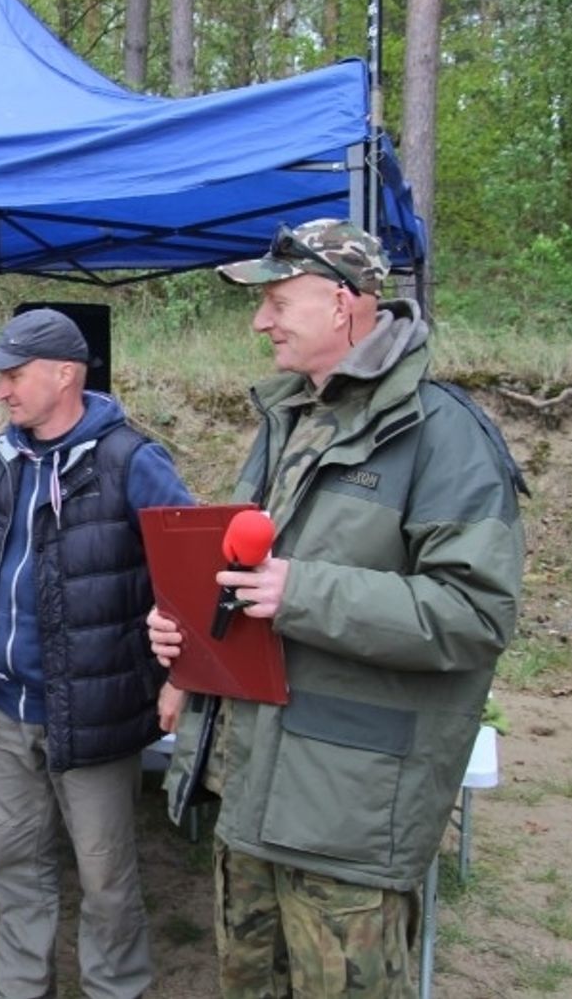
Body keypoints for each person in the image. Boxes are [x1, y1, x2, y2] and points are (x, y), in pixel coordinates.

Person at [149, 218, 526, 998]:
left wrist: (303, 592)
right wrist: (190, 644)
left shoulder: (441, 434)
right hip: (250, 788)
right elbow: (245, 573)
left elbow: (475, 613)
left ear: (344, 301)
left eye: (279, 302)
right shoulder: (289, 417)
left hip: (346, 810)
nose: (261, 322)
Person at [0, 308, 192, 999]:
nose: (1, 390)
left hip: (95, 710)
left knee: (105, 876)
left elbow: (190, 572)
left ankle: (116, 987)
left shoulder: (132, 460)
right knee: (12, 864)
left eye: (13, 375)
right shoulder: (1, 459)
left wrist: (182, 675)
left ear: (65, 374)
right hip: (7, 708)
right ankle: (20, 987)